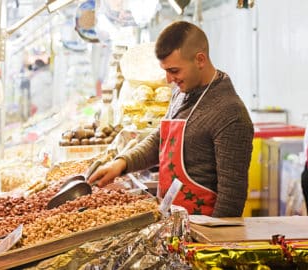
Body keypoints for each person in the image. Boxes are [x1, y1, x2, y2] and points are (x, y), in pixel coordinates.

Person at [88, 21, 254, 217]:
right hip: (174, 225)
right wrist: (121, 164)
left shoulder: (229, 113)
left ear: (200, 60)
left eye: (174, 71)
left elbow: (231, 199)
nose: (168, 80)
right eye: (165, 71)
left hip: (202, 233)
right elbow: (160, 140)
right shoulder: (182, 93)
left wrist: (208, 244)